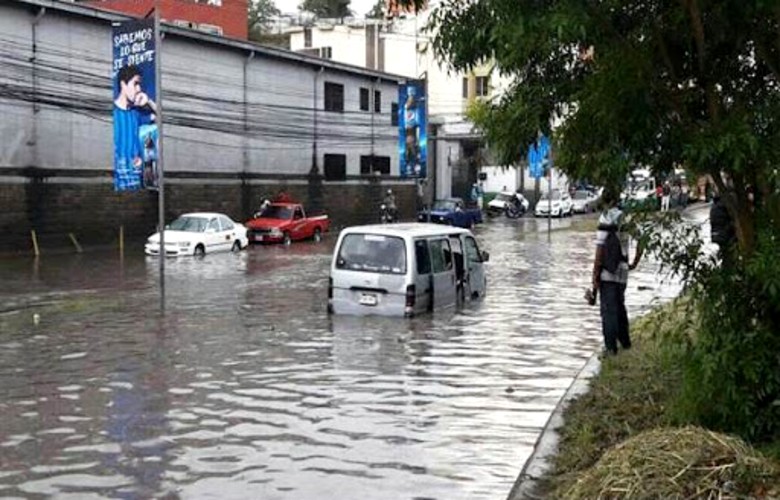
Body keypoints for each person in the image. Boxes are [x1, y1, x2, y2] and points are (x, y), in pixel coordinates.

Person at [590, 188, 643, 356]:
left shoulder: (604, 218)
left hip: (607, 271)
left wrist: (594, 275)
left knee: (608, 310)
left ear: (606, 201)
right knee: (620, 306)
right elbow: (642, 240)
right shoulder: (626, 218)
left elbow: (600, 251)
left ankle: (610, 347)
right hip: (623, 271)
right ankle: (625, 341)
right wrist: (634, 261)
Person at [113, 65, 157, 191]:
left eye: (140, 84)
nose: (139, 89)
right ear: (123, 85)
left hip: (136, 184)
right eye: (135, 83)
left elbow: (161, 119)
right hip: (118, 186)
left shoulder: (136, 114)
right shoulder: (112, 113)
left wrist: (148, 101)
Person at [710, 192, 735, 262]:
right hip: (724, 234)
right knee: (729, 254)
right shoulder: (723, 206)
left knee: (725, 254)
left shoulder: (715, 206)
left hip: (716, 234)